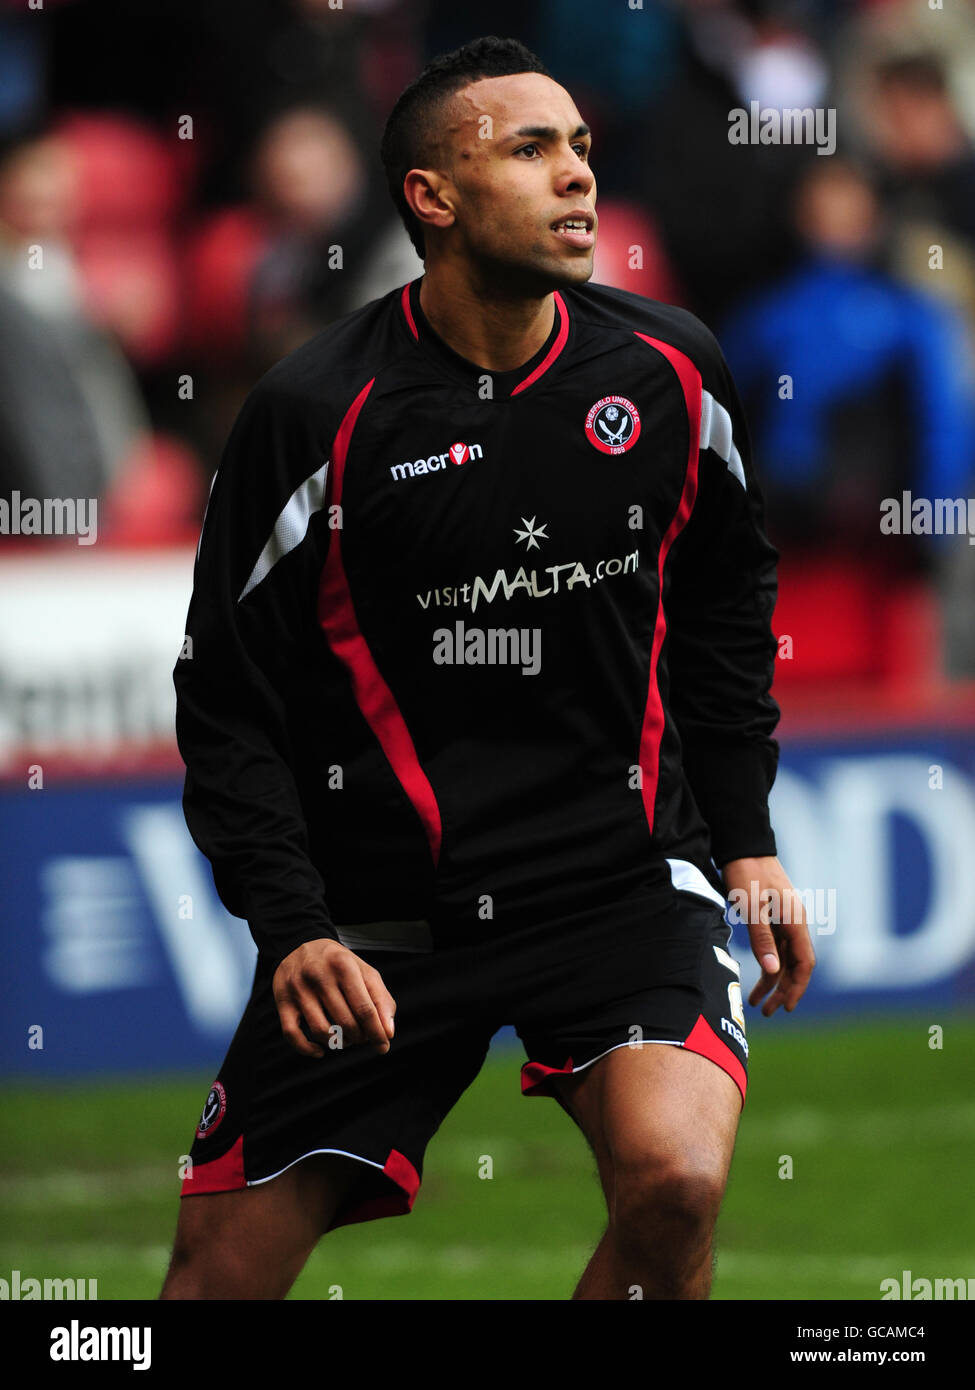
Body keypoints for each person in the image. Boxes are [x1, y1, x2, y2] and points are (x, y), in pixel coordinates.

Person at [160, 36, 815, 1302]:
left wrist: (746, 833)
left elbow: (729, 601)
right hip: (384, 919)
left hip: (621, 883)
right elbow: (226, 695)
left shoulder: (672, 370)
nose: (577, 176)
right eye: (530, 148)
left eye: (580, 146)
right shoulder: (313, 415)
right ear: (431, 197)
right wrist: (292, 924)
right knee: (210, 1287)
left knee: (675, 1181)